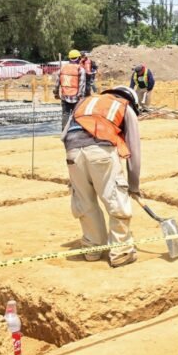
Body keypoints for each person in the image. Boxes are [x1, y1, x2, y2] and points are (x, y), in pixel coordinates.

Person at [62, 85, 141, 267]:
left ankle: (92, 248)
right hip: (101, 153)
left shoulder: (84, 102)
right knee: (115, 199)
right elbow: (134, 152)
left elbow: (65, 135)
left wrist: (75, 172)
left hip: (72, 153)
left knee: (85, 202)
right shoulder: (124, 106)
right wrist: (134, 186)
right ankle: (121, 252)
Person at [54, 50, 86, 130]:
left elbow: (57, 83)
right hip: (76, 97)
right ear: (78, 58)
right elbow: (82, 84)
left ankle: (64, 132)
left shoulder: (62, 68)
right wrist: (80, 95)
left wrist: (56, 94)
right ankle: (76, 131)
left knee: (65, 114)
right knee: (77, 115)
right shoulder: (80, 69)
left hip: (65, 96)